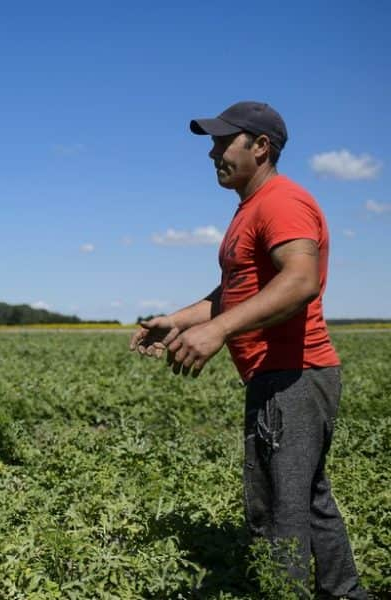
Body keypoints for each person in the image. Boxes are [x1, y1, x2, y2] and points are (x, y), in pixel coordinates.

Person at [130, 101, 366, 598]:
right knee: (305, 500)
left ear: (260, 147)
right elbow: (233, 293)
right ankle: (345, 594)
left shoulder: (282, 201)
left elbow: (300, 281)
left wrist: (218, 333)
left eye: (223, 141)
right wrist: (176, 321)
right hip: (279, 376)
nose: (213, 152)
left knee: (279, 510)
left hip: (294, 376)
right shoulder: (251, 210)